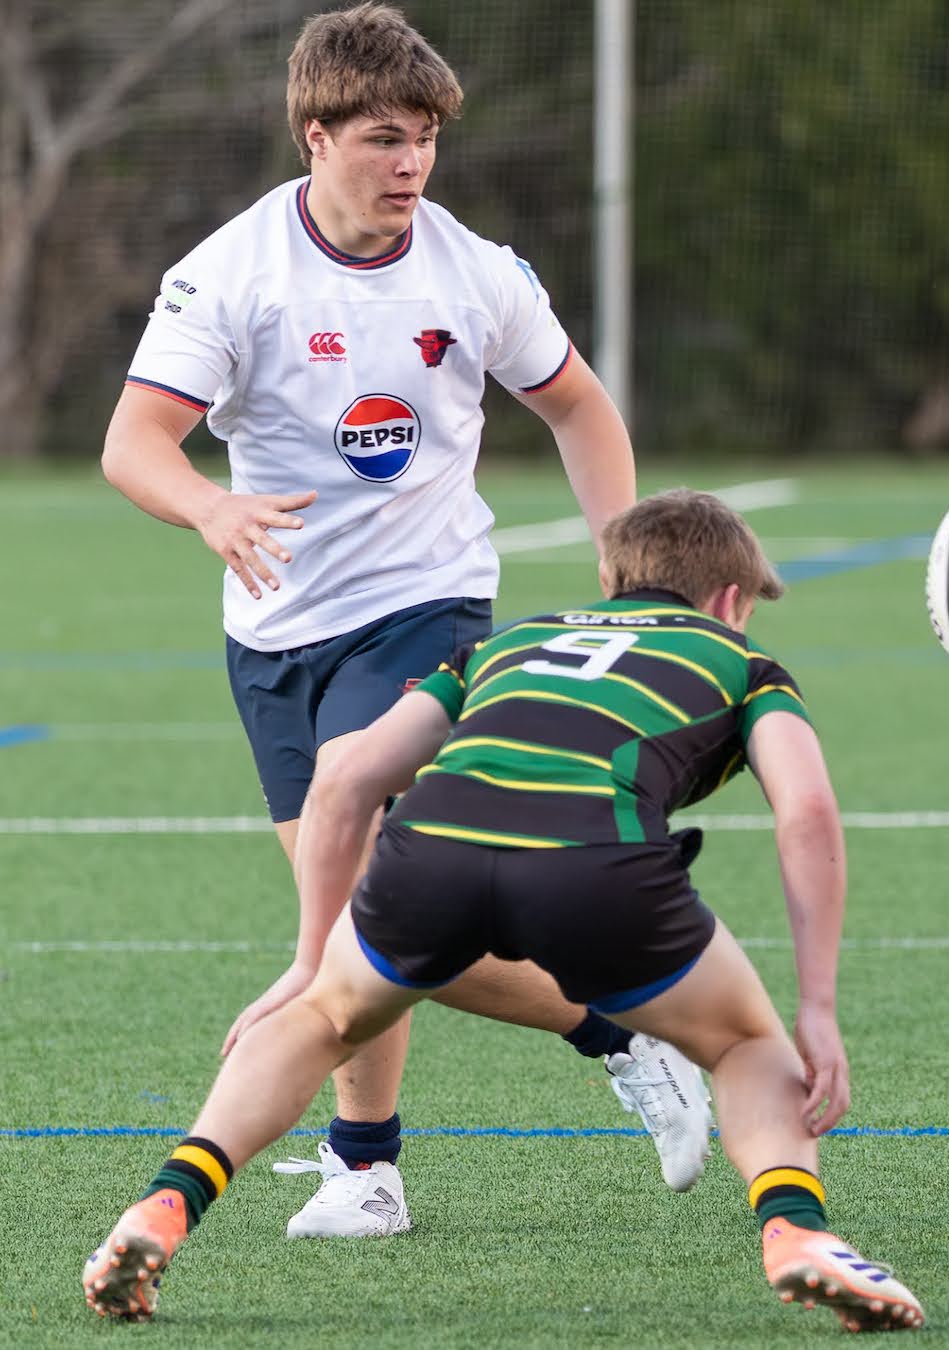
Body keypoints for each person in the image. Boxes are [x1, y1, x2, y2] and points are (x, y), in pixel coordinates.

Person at [97, 3, 708, 1236]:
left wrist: (628, 570)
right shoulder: (231, 272)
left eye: (426, 136)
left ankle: (369, 1160)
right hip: (274, 630)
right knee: (379, 914)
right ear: (314, 135)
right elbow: (133, 445)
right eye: (385, 137)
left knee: (362, 869)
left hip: (427, 603)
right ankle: (575, 1049)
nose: (412, 164)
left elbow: (582, 412)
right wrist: (211, 511)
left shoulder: (473, 269)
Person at [81, 489, 926, 1332]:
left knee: (321, 1021)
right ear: (732, 602)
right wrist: (817, 1009)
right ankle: (797, 1232)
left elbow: (345, 782)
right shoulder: (743, 666)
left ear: (607, 575)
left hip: (429, 856)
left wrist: (312, 962)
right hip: (597, 869)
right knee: (744, 1043)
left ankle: (164, 1206)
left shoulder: (508, 645)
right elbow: (807, 812)